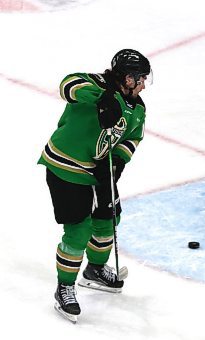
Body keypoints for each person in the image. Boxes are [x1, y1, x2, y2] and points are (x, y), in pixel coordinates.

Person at [38, 49, 151, 322]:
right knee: (78, 231)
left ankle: (95, 270)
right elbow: (68, 85)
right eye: (141, 78)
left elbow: (132, 138)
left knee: (108, 220)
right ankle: (64, 287)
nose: (144, 84)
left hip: (100, 170)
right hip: (67, 167)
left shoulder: (138, 107)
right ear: (127, 78)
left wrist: (117, 163)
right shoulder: (95, 84)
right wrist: (103, 99)